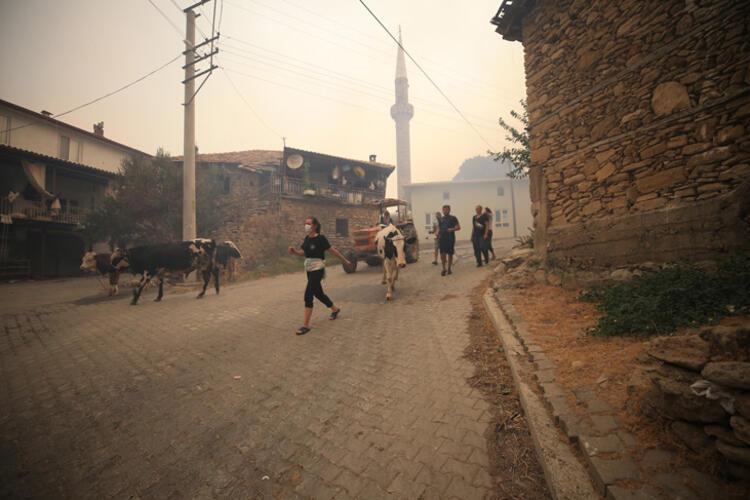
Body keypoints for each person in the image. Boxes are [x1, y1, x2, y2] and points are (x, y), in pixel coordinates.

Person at [288, 216, 352, 335]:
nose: (306, 225)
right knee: (318, 293)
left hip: (318, 268)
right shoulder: (307, 239)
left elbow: (332, 250)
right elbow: (303, 253)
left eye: (309, 223)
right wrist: (294, 252)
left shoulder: (321, 239)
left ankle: (305, 325)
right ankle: (335, 309)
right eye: (305, 223)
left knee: (308, 294)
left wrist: (344, 260)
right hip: (309, 268)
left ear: (315, 226)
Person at [437, 204, 460, 276]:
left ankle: (449, 268)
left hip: (450, 238)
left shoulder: (453, 218)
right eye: (444, 209)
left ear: (449, 210)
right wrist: (438, 233)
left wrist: (452, 229)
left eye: (447, 209)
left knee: (450, 254)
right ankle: (444, 268)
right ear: (442, 210)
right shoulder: (441, 219)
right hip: (442, 239)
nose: (445, 211)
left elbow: (458, 227)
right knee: (442, 253)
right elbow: (439, 228)